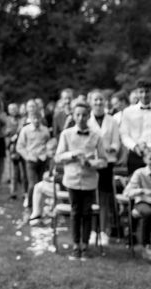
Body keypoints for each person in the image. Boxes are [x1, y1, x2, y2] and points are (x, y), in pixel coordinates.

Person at [55, 101, 107, 260]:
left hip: (89, 180)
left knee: (87, 212)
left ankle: (85, 245)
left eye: (84, 115)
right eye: (77, 114)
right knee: (75, 212)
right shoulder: (66, 134)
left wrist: (91, 163)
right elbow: (58, 157)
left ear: (88, 115)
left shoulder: (96, 136)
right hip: (72, 179)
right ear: (73, 115)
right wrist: (72, 155)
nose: (81, 118)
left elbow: (104, 161)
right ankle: (75, 244)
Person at [87, 90, 121, 245]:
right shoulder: (86, 120)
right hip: (91, 164)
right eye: (96, 100)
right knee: (92, 197)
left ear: (105, 102)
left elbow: (116, 142)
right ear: (91, 102)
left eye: (101, 100)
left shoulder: (112, 121)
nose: (99, 103)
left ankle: (103, 230)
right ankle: (92, 231)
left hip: (107, 162)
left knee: (105, 197)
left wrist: (112, 149)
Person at [16, 109, 50, 217]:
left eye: (38, 118)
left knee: (40, 184)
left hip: (42, 159)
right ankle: (29, 204)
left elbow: (49, 143)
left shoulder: (45, 130)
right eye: (34, 118)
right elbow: (20, 146)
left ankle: (38, 205)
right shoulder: (25, 130)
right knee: (32, 183)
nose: (36, 120)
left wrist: (47, 154)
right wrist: (27, 156)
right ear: (30, 119)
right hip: (31, 159)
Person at [122, 148, 151, 261]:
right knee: (149, 213)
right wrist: (142, 191)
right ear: (145, 160)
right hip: (143, 202)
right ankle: (146, 245)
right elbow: (127, 192)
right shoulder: (140, 173)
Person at [119, 78, 151, 175]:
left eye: (147, 91)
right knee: (134, 186)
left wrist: (148, 148)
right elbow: (124, 134)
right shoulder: (128, 111)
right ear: (137, 93)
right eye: (141, 92)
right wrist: (135, 146)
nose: (144, 95)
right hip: (134, 154)